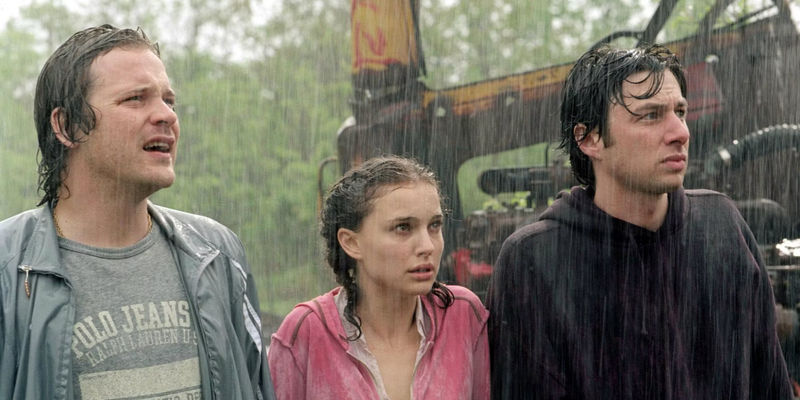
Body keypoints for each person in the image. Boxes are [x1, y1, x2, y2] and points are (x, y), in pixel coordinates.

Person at [487, 44, 793, 399]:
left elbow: (771, 385)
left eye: (680, 111)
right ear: (589, 138)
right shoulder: (533, 260)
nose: (680, 132)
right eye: (650, 115)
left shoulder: (723, 226)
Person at [0, 25, 275, 399]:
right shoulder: (8, 271)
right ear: (66, 126)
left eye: (168, 100)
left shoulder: (218, 254)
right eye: (135, 99)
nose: (166, 116)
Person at [268, 156, 490, 399]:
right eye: (403, 227)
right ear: (351, 243)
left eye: (434, 226)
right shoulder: (306, 332)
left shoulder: (462, 315)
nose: (427, 246)